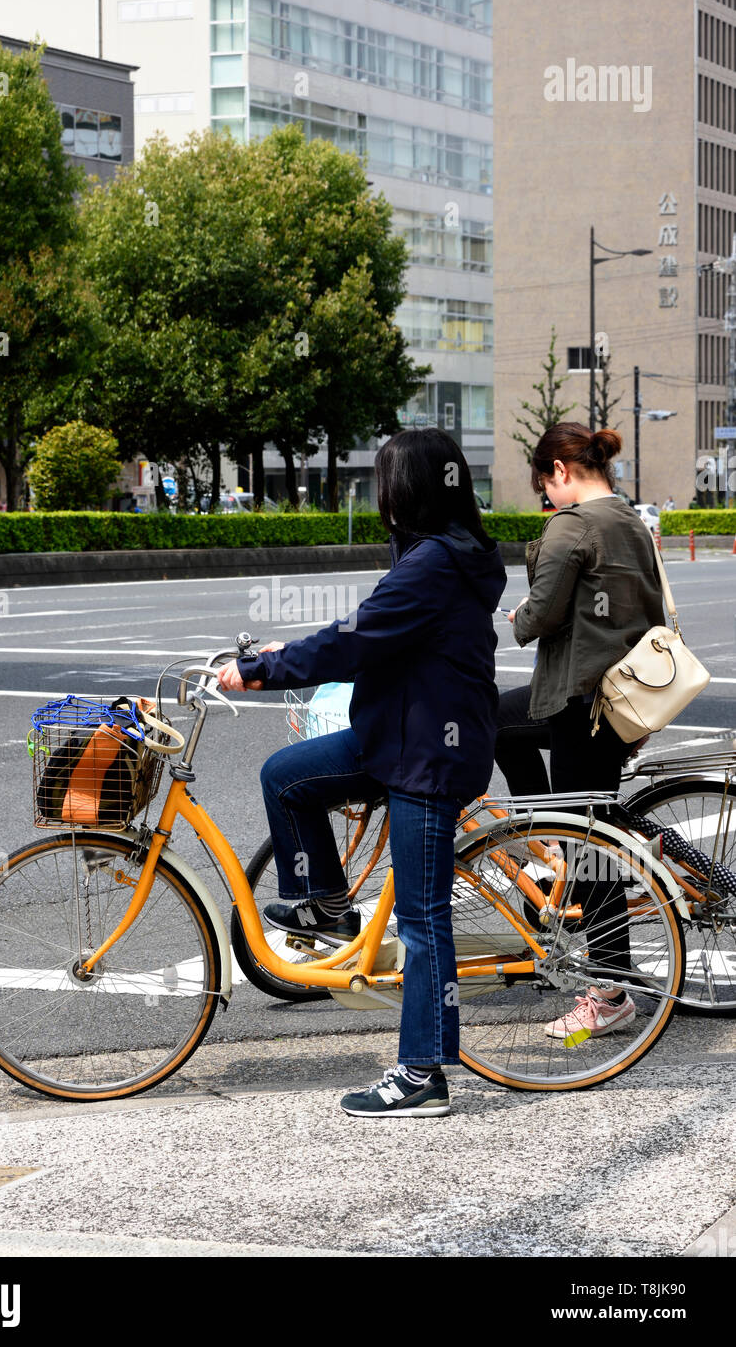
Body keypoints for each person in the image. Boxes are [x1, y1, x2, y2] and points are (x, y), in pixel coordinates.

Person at [217, 430, 506, 1117]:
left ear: (400, 489)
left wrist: (260, 670)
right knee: (284, 776)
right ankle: (329, 904)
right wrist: (296, 649)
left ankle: (421, 1076)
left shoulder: (434, 560)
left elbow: (357, 639)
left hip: (428, 756)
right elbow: (373, 630)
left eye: (382, 480)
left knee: (420, 918)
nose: (376, 493)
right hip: (394, 737)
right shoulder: (446, 547)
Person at [495, 423, 665, 1040]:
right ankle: (548, 838)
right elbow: (647, 613)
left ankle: (612, 992)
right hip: (623, 701)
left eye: (545, 485)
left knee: (587, 849)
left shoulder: (571, 525)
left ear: (560, 472)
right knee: (592, 835)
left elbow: (538, 616)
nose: (546, 498)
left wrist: (519, 617)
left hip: (578, 704)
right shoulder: (631, 522)